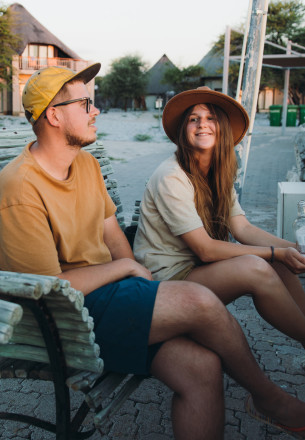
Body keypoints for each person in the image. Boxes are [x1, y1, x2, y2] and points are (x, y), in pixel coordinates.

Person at [0, 66, 305, 440]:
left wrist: (132, 271)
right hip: (67, 318)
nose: (96, 111)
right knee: (200, 301)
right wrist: (127, 268)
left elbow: (114, 237)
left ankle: (266, 398)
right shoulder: (18, 188)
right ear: (54, 114)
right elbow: (49, 288)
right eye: (86, 103)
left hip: (110, 298)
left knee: (202, 366)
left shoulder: (85, 164)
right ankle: (268, 398)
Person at [134, 86, 305, 349]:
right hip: (167, 281)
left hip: (197, 269)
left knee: (277, 261)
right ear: (184, 129)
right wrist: (274, 253)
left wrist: (293, 249)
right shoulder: (171, 176)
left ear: (222, 126)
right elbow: (205, 250)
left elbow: (242, 228)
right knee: (258, 265)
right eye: (194, 119)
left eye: (211, 118)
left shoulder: (218, 171)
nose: (202, 124)